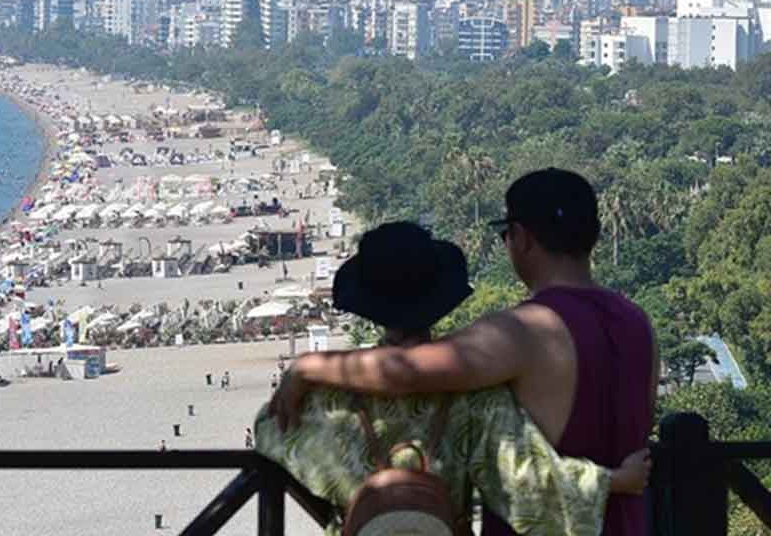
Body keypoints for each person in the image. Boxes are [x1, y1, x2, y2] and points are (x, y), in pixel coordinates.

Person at [272, 171, 657, 535]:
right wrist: (616, 481)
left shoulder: (526, 329)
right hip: (629, 522)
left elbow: (406, 371)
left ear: (520, 237)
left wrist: (309, 366)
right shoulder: (638, 324)